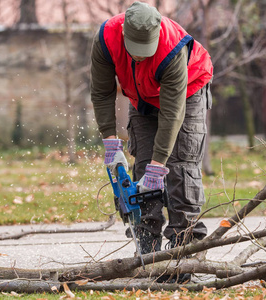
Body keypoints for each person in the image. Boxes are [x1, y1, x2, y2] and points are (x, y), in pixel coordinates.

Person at [90, 1, 213, 269]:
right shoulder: (106, 39)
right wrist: (111, 143)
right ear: (124, 35)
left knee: (178, 166)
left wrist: (160, 167)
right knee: (143, 167)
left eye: (145, 50)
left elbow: (172, 114)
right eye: (135, 50)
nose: (140, 56)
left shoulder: (173, 48)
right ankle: (148, 251)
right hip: (142, 97)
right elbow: (102, 92)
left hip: (188, 92)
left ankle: (185, 249)